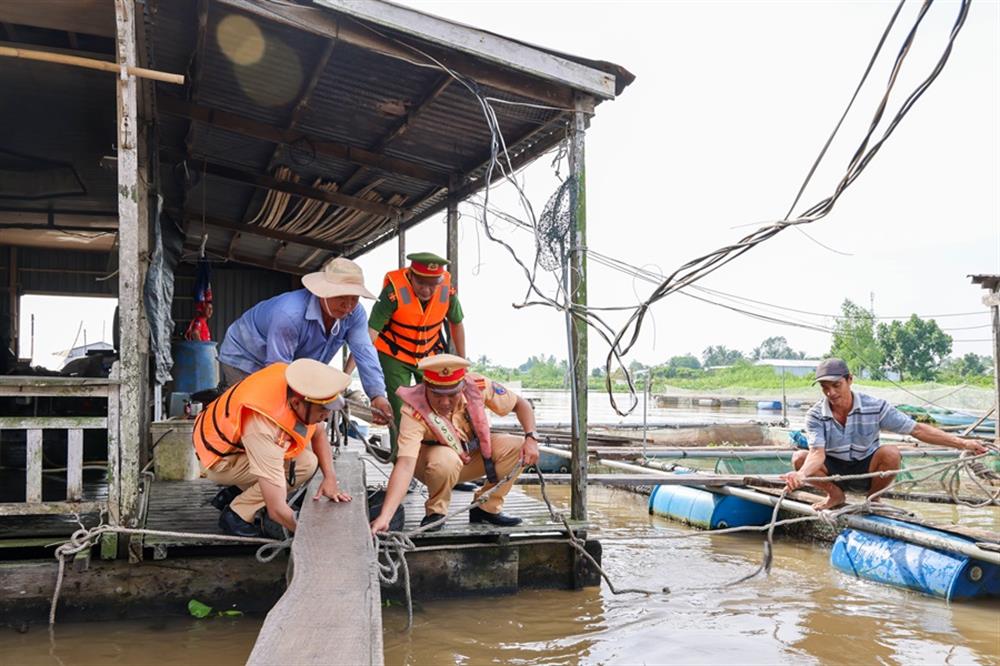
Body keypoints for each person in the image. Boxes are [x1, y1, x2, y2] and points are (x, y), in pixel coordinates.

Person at [782, 357, 989, 509]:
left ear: (850, 380)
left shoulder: (875, 407)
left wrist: (963, 443)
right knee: (800, 458)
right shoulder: (816, 414)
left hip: (868, 469)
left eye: (836, 385)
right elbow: (817, 453)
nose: (831, 393)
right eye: (825, 388)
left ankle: (874, 499)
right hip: (834, 469)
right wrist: (800, 475)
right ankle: (835, 496)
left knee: (891, 452)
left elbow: (916, 429)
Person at [369, 354, 540, 534]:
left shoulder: (479, 386)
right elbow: (405, 465)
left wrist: (531, 437)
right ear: (426, 386)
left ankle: (486, 507)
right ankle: (436, 512)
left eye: (452, 395)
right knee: (445, 458)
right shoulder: (413, 410)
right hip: (432, 465)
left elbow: (522, 405)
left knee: (519, 446)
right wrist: (385, 517)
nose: (444, 402)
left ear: (463, 386)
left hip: (470, 457)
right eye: (436, 394)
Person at [218, 256, 392, 425]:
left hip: (285, 363)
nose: (347, 305)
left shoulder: (355, 314)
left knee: (302, 417)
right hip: (244, 356)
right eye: (341, 296)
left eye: (354, 298)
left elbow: (364, 351)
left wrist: (378, 396)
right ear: (323, 293)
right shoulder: (290, 314)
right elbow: (277, 370)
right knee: (263, 414)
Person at [193, 358, 353, 537]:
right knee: (303, 466)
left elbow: (319, 433)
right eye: (323, 411)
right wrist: (317, 535)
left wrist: (330, 478)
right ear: (296, 403)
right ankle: (236, 514)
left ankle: (235, 493)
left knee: (307, 459)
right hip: (218, 460)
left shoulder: (297, 386)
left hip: (234, 446)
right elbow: (276, 510)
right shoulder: (263, 426)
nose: (326, 416)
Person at [348, 252, 465, 461]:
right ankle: (401, 462)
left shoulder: (447, 290)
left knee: (440, 405)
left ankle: (445, 459)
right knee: (399, 410)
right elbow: (370, 335)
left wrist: (462, 365)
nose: (427, 290)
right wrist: (347, 374)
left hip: (429, 356)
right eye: (422, 284)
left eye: (433, 284)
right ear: (411, 275)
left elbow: (456, 323)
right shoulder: (393, 291)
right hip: (395, 355)